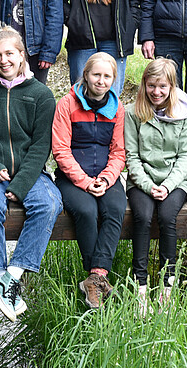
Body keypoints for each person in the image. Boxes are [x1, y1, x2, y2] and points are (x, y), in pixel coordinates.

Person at [0, 26, 62, 322]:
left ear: (22, 55)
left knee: (50, 203)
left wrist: (20, 185)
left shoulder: (41, 94)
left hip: (30, 173)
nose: (4, 60)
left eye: (10, 54)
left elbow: (41, 144)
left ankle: (12, 275)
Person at [53, 52, 127, 309]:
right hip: (72, 176)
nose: (101, 80)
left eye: (107, 76)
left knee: (115, 208)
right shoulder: (67, 104)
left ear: (113, 80)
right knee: (85, 210)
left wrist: (106, 180)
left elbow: (119, 152)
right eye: (96, 74)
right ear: (85, 75)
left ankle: (95, 278)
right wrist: (84, 182)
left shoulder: (117, 108)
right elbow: (61, 150)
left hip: (106, 175)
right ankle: (97, 280)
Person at [125, 58, 187, 315]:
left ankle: (168, 285)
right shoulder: (133, 113)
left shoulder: (185, 113)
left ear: (172, 86)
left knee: (167, 217)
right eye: (152, 85)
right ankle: (141, 285)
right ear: (145, 84)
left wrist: (166, 186)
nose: (157, 92)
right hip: (141, 180)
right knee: (142, 216)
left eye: (163, 86)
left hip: (174, 180)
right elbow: (131, 156)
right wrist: (147, 184)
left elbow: (186, 156)